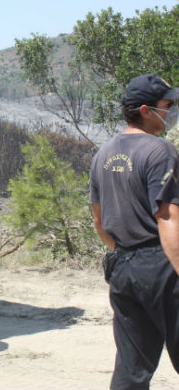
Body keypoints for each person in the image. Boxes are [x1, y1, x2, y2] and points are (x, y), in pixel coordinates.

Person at [90, 74, 179, 389]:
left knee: (132, 368)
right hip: (161, 265)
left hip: (124, 266)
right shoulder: (160, 151)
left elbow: (99, 221)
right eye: (166, 106)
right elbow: (167, 217)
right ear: (145, 110)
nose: (169, 112)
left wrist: (123, 256)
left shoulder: (102, 155)